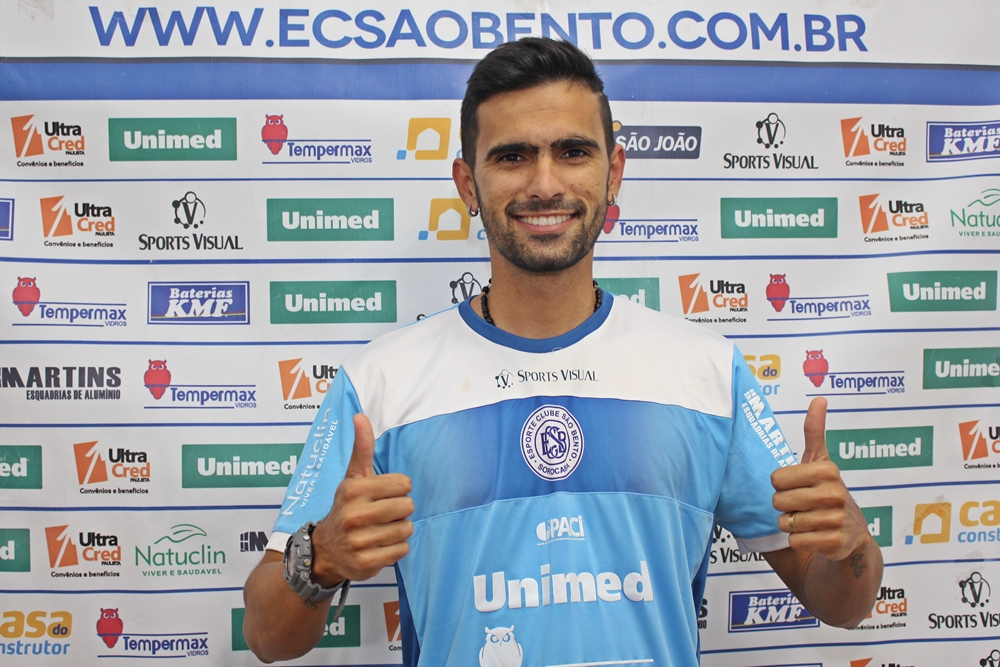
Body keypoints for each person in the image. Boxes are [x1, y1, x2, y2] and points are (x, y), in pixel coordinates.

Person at [242, 37, 882, 666]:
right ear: (468, 184)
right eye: (512, 157)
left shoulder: (707, 371)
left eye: (573, 152)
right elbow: (268, 638)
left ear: (614, 171)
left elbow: (844, 604)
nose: (545, 185)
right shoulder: (380, 380)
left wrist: (851, 544)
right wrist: (320, 558)